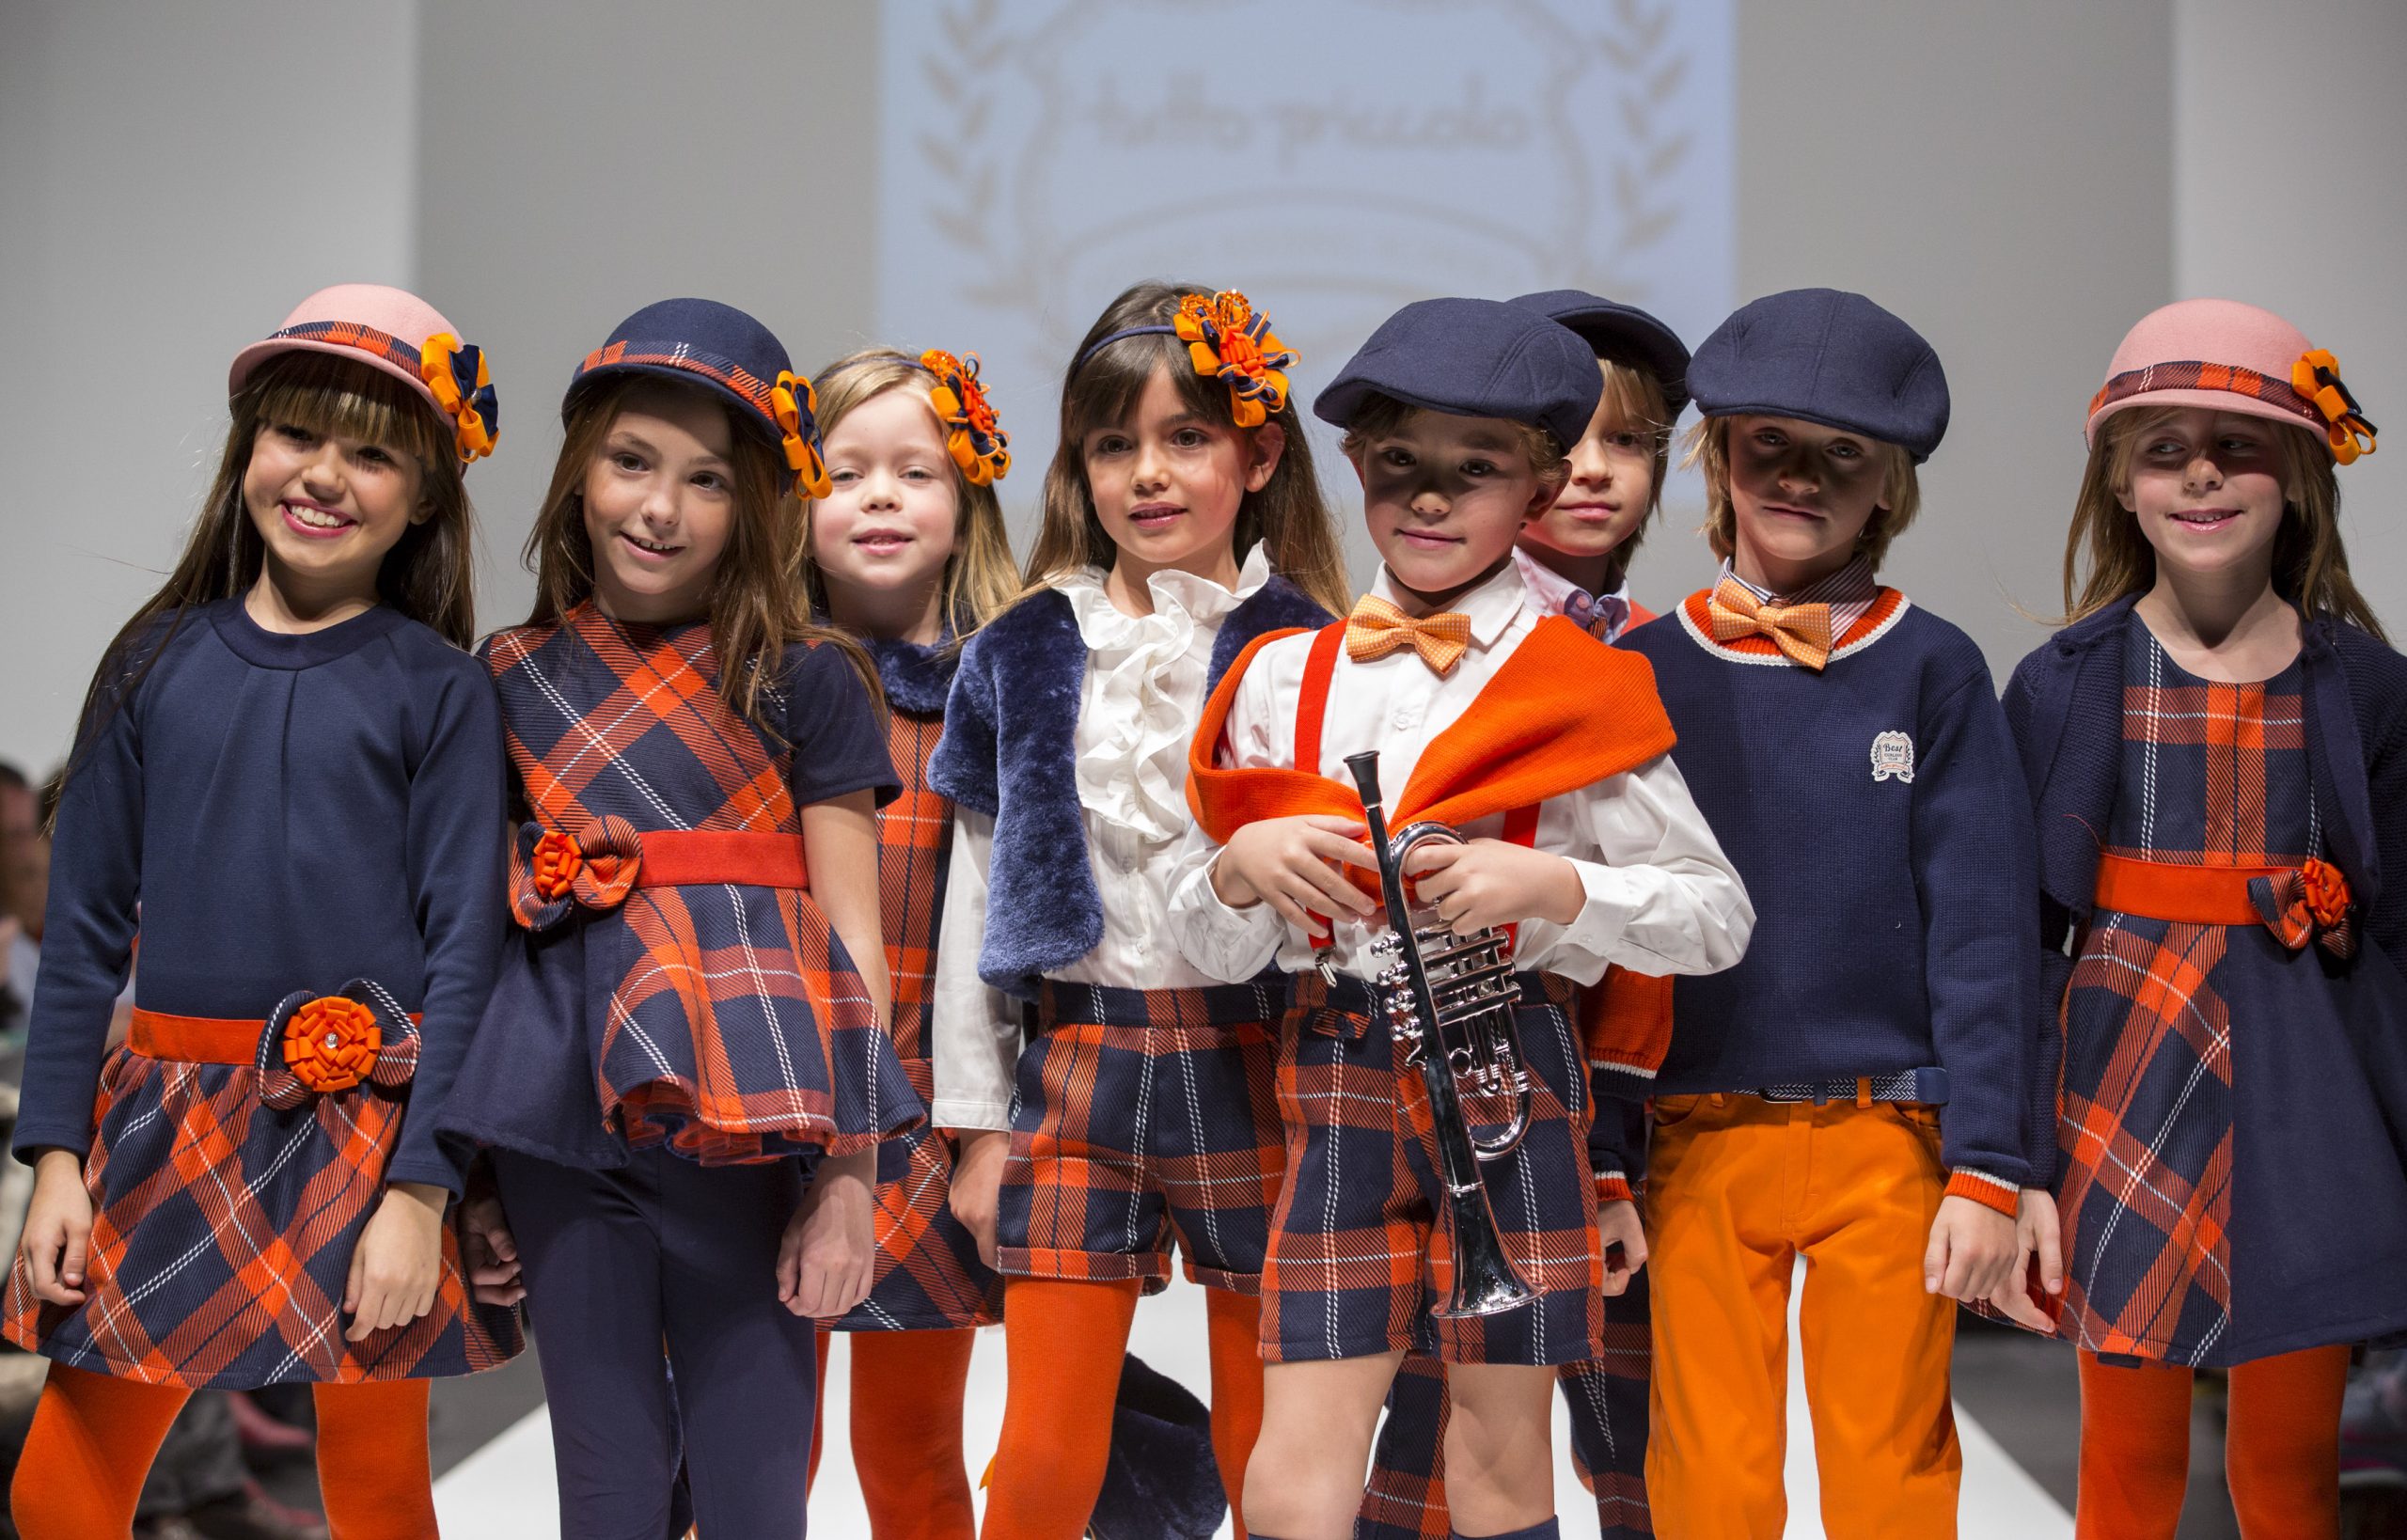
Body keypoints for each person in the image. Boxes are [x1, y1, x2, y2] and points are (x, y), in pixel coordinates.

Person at [1172, 296, 1752, 1540]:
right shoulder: (1281, 676)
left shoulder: (1585, 684)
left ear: (1539, 488)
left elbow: (1714, 918)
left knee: (1498, 1458)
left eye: (1475, 469)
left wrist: (1557, 890)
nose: (1430, 498)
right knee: (1294, 1462)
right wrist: (1240, 869)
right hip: (1338, 1065)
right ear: (1354, 466)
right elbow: (1205, 945)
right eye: (1400, 463)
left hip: (1511, 1073)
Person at [3, 284, 522, 1540]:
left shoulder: (443, 690)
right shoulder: (151, 662)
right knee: (59, 1492)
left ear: (427, 497)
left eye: (374, 453)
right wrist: (56, 1157)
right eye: (297, 434)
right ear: (249, 447)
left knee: (378, 1492)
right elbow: (79, 936)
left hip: (366, 1140)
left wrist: (423, 1191)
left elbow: (467, 952)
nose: (325, 474)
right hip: (160, 1130)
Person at [433, 299, 916, 1540]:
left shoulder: (808, 676)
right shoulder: (506, 676)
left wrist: (852, 1175)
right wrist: (470, 1178)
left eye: (707, 479)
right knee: (608, 1491)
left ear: (757, 503)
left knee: (756, 1495)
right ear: (578, 472)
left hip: (757, 1131)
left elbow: (853, 940)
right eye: (632, 461)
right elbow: (477, 942)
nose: (661, 507)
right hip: (561, 1135)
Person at [1619, 288, 2050, 1537]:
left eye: (1842, 452)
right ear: (1719, 455)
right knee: (1707, 1472)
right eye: (1769, 444)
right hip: (1697, 1130)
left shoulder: (1934, 667)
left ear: (1889, 484)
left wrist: (1990, 1163)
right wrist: (1601, 1145)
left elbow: (1982, 931)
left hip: (1890, 1131)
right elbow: (1616, 939)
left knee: (1889, 1465)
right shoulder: (1646, 669)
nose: (1800, 476)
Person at [928, 282, 1348, 1539]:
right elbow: (975, 898)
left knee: (1265, 1441)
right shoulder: (1023, 648)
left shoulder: (1310, 649)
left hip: (1258, 1065)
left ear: (1257, 456)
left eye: (1186, 437)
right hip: (1078, 1068)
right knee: (1045, 1449)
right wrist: (976, 1125)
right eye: (1115, 444)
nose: (1148, 473)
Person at [2004, 297, 2407, 1538]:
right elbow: (2019, 936)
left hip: (2307, 1086)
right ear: (2120, 484)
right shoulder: (2067, 682)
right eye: (2166, 450)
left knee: (2290, 1468)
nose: (2200, 476)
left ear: (2300, 473)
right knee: (2128, 1464)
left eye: (2237, 446)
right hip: (2123, 1071)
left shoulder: (2365, 684)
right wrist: (2013, 1159)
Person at [1357, 288, 1693, 1540]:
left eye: (1632, 441)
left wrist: (1615, 1152)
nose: (1598, 470)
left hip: (1628, 1105)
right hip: (1460, 1082)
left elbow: (1674, 912)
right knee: (1439, 1428)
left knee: (1625, 1438)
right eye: (1573, 439)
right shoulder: (1405, 642)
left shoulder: (1659, 651)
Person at [798, 345, 1019, 1536]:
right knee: (742, 1445)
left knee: (912, 1449)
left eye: (915, 471)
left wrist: (992, 1132)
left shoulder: (1016, 690)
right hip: (767, 1110)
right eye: (844, 473)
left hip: (937, 1119)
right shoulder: (750, 687)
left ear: (966, 499)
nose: (879, 497)